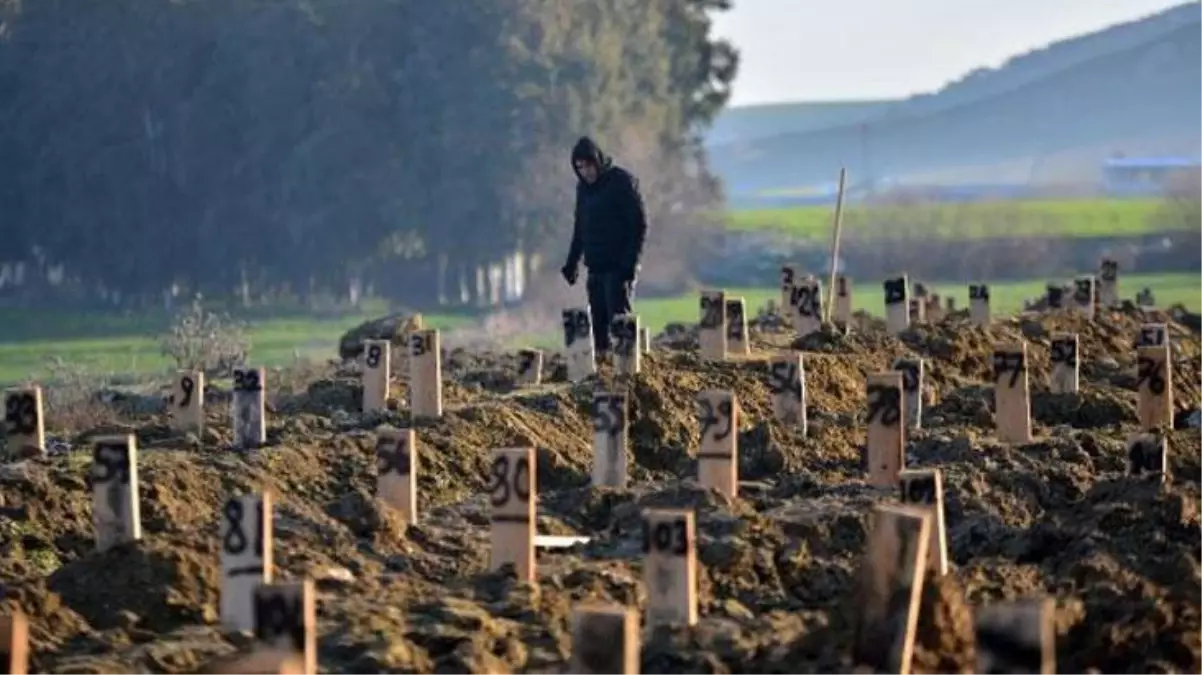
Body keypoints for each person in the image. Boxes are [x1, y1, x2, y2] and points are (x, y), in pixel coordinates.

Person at [560, 136, 648, 358]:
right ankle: (603, 372)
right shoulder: (583, 190)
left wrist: (630, 263)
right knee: (598, 327)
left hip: (619, 267)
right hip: (595, 266)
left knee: (619, 323)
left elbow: (638, 225)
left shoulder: (621, 181)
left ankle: (627, 374)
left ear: (597, 161)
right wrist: (572, 263)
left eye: (588, 166)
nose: (585, 172)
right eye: (579, 168)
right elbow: (580, 227)